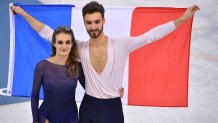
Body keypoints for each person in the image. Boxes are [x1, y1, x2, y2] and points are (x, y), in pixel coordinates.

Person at [11, 1, 199, 123]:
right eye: (89, 22)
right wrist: (24, 14)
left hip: (112, 109)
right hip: (88, 108)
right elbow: (48, 33)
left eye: (96, 21)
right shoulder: (78, 47)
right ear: (84, 24)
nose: (93, 26)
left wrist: (183, 18)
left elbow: (151, 36)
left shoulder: (122, 44)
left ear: (103, 21)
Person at [31, 26, 85, 123]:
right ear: (54, 43)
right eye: (60, 42)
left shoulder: (78, 66)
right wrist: (36, 120)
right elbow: (35, 95)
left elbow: (91, 89)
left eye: (68, 42)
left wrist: (114, 90)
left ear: (72, 44)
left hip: (71, 118)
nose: (64, 46)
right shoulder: (42, 66)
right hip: (47, 117)